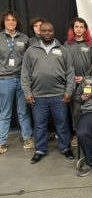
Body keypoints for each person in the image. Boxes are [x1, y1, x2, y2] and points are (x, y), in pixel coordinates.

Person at [21, 21, 75, 164]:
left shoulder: (63, 50)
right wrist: (27, 92)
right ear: (39, 32)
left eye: (49, 31)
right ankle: (39, 150)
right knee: (39, 124)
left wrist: (68, 91)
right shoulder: (31, 50)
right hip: (38, 96)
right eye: (44, 31)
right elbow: (25, 73)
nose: (46, 33)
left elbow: (70, 72)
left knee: (62, 123)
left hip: (59, 95)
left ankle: (65, 148)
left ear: (53, 32)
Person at [0, 9, 34, 154]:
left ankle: (27, 137)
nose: (11, 22)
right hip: (4, 80)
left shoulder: (24, 38)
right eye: (8, 20)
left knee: (23, 112)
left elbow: (29, 60)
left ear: (17, 22)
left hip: (21, 79)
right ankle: (1, 142)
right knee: (5, 113)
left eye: (13, 20)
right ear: (3, 22)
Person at [65, 17, 92, 147]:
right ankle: (77, 134)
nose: (79, 29)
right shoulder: (67, 44)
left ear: (85, 29)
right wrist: (72, 77)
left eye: (81, 27)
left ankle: (90, 133)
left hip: (87, 81)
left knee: (88, 108)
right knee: (75, 110)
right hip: (71, 82)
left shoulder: (90, 44)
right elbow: (64, 64)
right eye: (76, 27)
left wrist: (84, 77)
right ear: (73, 29)